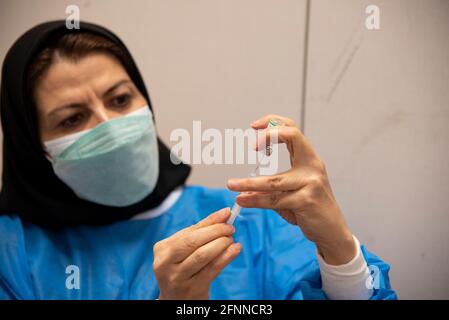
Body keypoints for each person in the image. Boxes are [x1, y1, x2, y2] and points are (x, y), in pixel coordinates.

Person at [0, 20, 396, 300]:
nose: (109, 126)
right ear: (32, 145)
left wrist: (339, 248)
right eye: (72, 118)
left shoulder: (248, 222)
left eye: (121, 99)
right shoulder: (12, 253)